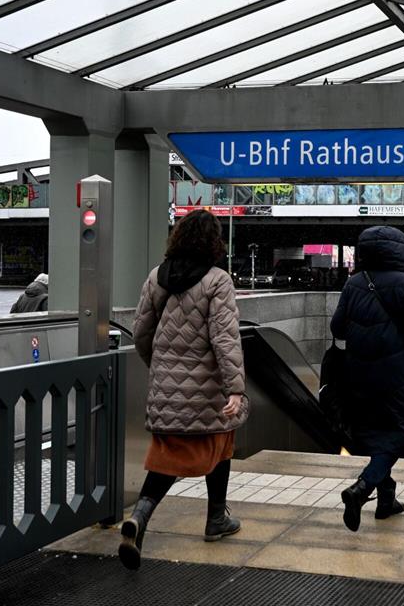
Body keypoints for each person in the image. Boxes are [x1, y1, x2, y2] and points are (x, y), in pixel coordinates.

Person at [123, 209, 248, 570]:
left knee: (173, 451)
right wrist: (235, 388)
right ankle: (204, 518)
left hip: (166, 384)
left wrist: (159, 367)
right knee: (218, 440)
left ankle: (155, 518)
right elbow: (225, 339)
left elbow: (141, 332)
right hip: (206, 387)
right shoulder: (217, 281)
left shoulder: (156, 277)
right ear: (213, 242)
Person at [330, 227, 404, 531]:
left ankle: (387, 501)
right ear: (401, 252)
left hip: (358, 376)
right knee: (398, 437)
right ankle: (362, 488)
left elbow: (338, 329)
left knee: (373, 436)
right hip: (395, 378)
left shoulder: (354, 283)